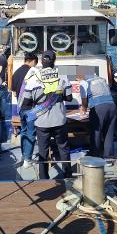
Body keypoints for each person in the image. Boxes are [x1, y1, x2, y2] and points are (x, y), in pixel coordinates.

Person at [21, 50, 73, 179]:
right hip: (60, 120)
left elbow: (26, 103)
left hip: (41, 123)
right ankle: (67, 174)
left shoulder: (34, 78)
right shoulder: (63, 75)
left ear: (42, 61)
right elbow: (69, 97)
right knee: (63, 148)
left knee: (43, 150)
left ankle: (44, 177)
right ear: (54, 61)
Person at [79, 75, 117, 159]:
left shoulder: (83, 83)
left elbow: (84, 103)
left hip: (99, 108)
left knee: (96, 132)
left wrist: (83, 110)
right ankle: (109, 158)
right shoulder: (101, 79)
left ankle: (95, 156)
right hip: (112, 106)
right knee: (109, 133)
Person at [11, 52, 39, 168]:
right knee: (31, 133)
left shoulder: (16, 72)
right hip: (31, 108)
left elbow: (13, 90)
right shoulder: (33, 72)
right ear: (32, 61)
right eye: (35, 63)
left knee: (23, 131)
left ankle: (24, 155)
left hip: (20, 107)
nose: (35, 66)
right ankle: (28, 159)